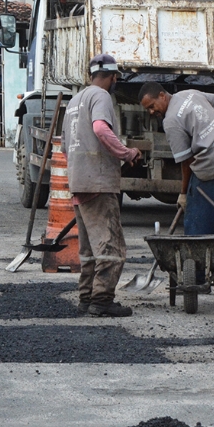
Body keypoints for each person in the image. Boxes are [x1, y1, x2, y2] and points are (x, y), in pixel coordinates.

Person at [138, 82, 214, 295]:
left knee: (196, 230)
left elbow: (186, 163)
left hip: (211, 172)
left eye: (152, 106)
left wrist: (184, 193)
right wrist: (213, 133)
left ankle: (195, 282)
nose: (151, 112)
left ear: (162, 95)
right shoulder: (191, 93)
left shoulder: (171, 122)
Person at [63, 54, 142, 317]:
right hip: (98, 183)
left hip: (78, 180)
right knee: (111, 247)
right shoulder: (101, 97)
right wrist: (126, 153)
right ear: (113, 77)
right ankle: (102, 301)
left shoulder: (75, 101)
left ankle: (86, 297)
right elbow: (100, 128)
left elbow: (64, 145)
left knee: (88, 249)